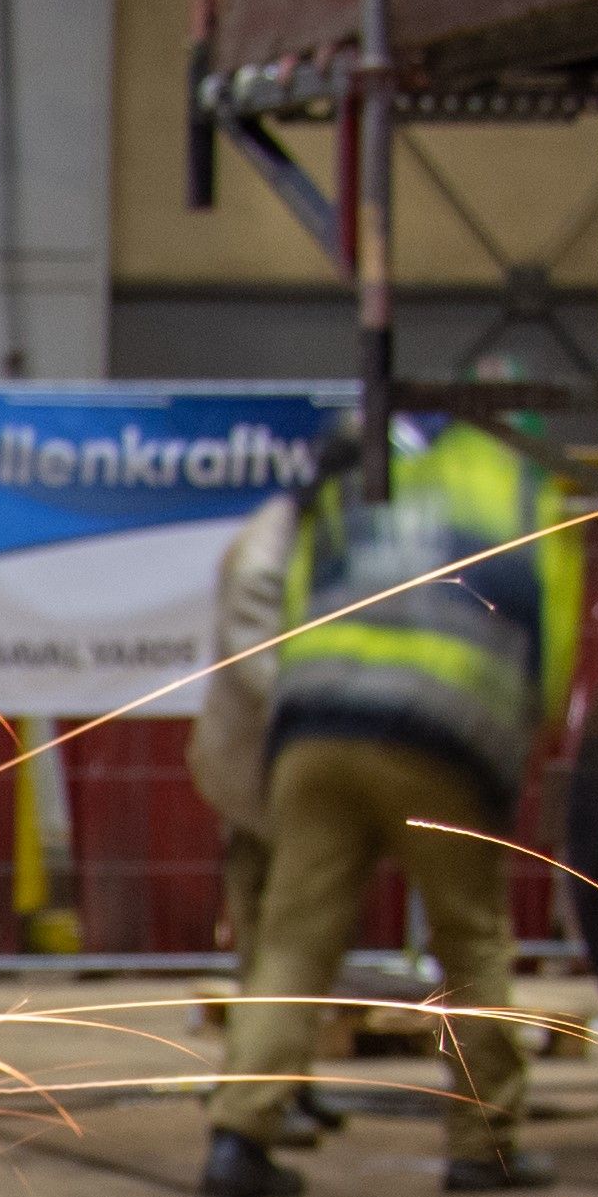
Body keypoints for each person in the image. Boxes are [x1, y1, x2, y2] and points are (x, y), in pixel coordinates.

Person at [200, 411, 577, 1197]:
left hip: (315, 725)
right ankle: (483, 1145)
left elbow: (299, 607)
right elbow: (552, 625)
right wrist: (517, 747)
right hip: (440, 733)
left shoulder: (362, 484)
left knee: (292, 943)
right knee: (470, 944)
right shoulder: (521, 488)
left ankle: (239, 1135)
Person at [186, 479, 336, 1150]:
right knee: (273, 940)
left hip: (293, 770)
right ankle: (254, 1093)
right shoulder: (262, 558)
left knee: (296, 938)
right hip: (258, 777)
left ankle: (286, 1079)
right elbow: (259, 669)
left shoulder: (307, 539)